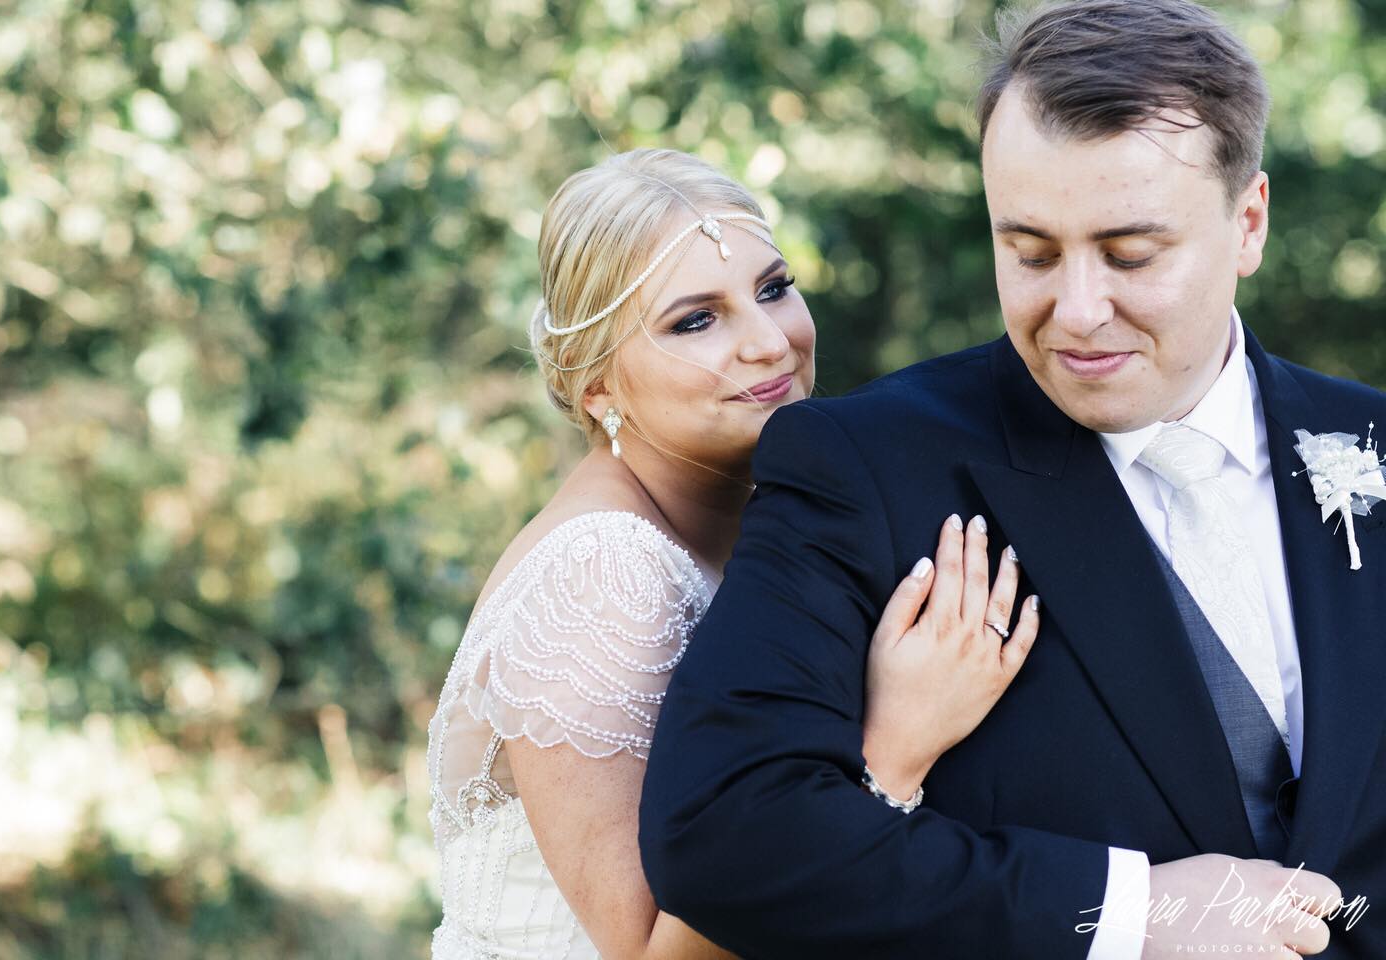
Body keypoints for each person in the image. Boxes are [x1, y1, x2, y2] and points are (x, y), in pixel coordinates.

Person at [640, 1, 1382, 958]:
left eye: (1130, 254)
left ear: (1248, 224)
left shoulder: (1369, 441)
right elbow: (723, 839)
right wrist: (1128, 914)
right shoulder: (863, 469)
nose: (1075, 311)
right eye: (1029, 251)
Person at [424, 148, 1041, 958]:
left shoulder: (772, 519)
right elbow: (653, 950)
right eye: (696, 320)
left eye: (773, 289)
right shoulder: (601, 574)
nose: (769, 344)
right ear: (597, 385)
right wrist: (895, 744)